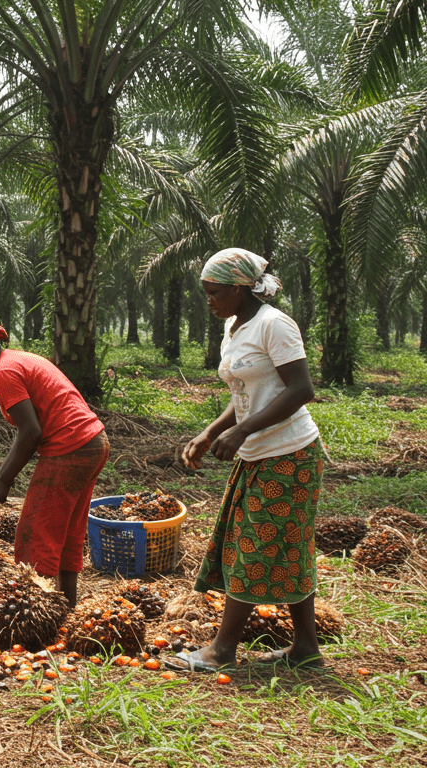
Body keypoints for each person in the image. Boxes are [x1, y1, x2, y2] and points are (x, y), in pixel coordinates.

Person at [172, 248, 324, 672]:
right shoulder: (234, 326)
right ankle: (306, 648)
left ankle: (222, 650)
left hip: (290, 454)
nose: (209, 300)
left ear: (240, 288)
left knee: (251, 547)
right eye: (206, 292)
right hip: (258, 454)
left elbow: (301, 390)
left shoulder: (275, 325)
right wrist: (212, 431)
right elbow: (243, 391)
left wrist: (242, 431)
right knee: (289, 548)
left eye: (215, 292)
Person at [0, 317, 108, 607]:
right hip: (93, 442)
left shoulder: (4, 372)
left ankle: (36, 610)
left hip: (71, 447)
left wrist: (2, 481)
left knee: (35, 534)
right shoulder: (18, 359)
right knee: (66, 532)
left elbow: (31, 431)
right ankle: (66, 607)